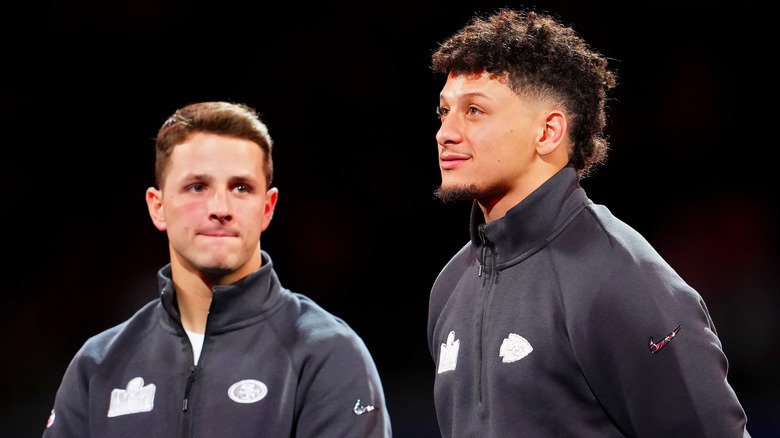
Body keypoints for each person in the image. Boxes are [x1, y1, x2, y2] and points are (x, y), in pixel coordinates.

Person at [427, 9, 750, 437]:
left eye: (474, 111)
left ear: (548, 132)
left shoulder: (621, 278)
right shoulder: (450, 286)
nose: (445, 133)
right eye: (444, 111)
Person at [43, 101, 391, 437]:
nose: (220, 208)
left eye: (241, 188)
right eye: (197, 187)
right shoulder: (98, 365)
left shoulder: (326, 354)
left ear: (267, 208)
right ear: (158, 206)